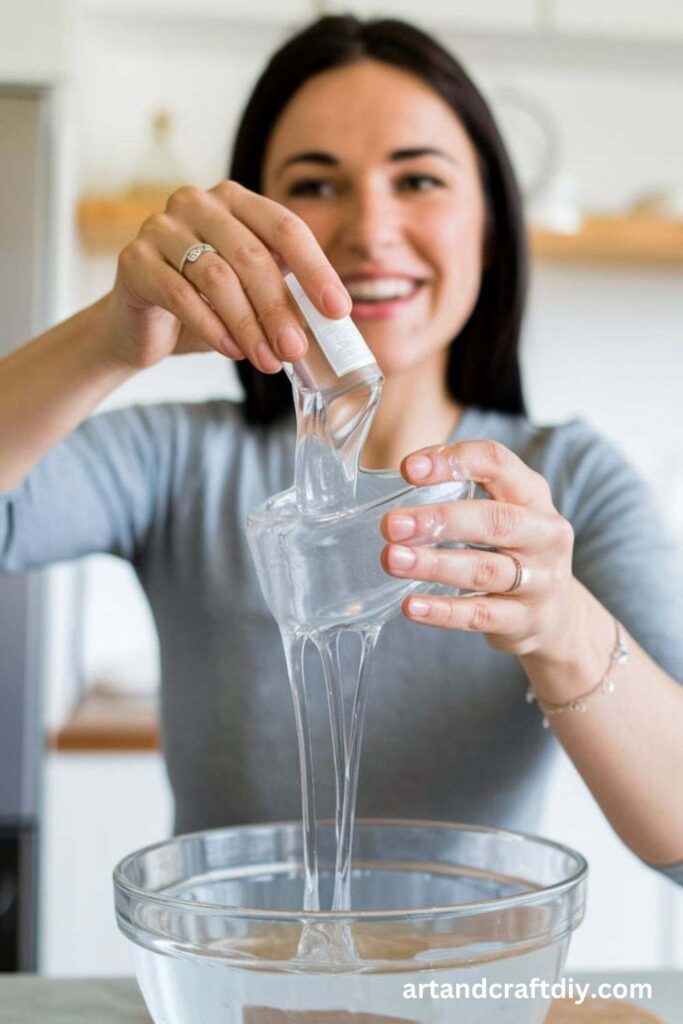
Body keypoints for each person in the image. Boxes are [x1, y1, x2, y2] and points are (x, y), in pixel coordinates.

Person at [1, 16, 682, 885]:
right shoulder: (179, 461)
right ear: (249, 226)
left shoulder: (571, 488)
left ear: (489, 223)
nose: (369, 228)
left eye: (419, 180)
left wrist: (563, 627)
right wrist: (107, 336)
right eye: (314, 185)